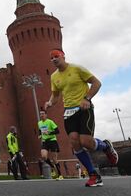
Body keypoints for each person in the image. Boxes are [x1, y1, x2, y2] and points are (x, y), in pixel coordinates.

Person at [44, 48, 118, 187]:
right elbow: (55, 95)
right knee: (74, 142)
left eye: (56, 56)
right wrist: (49, 102)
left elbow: (97, 83)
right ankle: (93, 175)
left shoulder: (77, 68)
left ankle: (106, 146)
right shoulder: (54, 77)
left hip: (84, 108)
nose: (54, 59)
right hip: (68, 111)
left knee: (86, 142)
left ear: (63, 56)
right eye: (51, 58)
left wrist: (87, 98)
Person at [37, 109, 63, 180]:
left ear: (46, 115)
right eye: (40, 114)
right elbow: (40, 130)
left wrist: (49, 132)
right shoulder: (39, 123)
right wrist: (40, 135)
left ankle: (60, 175)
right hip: (45, 141)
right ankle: (52, 167)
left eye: (43, 114)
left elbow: (57, 131)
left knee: (54, 159)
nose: (41, 115)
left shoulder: (50, 122)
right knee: (44, 156)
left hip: (52, 141)